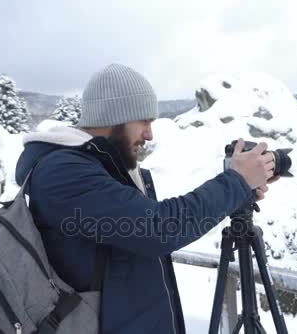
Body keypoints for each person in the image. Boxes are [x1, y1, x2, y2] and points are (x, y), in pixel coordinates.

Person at [15, 63, 278, 334]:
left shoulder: (105, 168)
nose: (150, 134)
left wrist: (237, 189)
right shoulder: (63, 172)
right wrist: (236, 181)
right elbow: (159, 228)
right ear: (114, 116)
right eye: (144, 121)